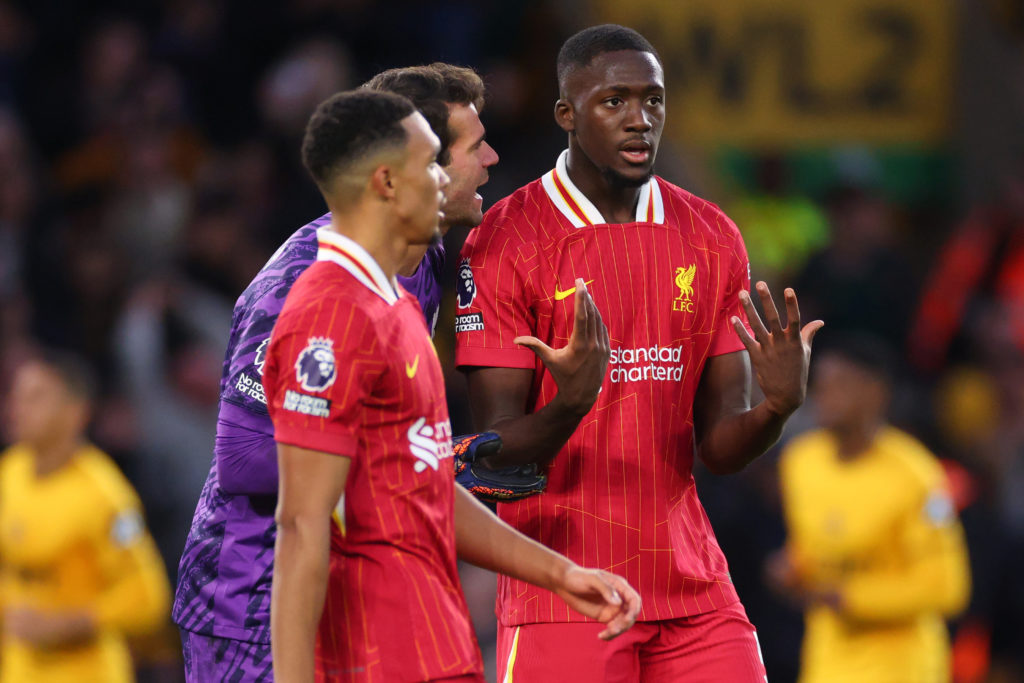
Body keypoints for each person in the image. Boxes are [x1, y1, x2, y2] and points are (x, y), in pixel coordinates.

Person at [454, 24, 822, 681]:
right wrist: (570, 403)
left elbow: (718, 447)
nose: (639, 120)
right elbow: (489, 452)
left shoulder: (711, 235)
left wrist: (777, 407)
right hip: (564, 587)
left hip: (692, 589)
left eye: (652, 101)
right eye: (614, 101)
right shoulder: (507, 238)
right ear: (566, 112)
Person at [265, 89, 640, 682]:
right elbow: (301, 525)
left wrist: (559, 575)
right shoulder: (329, 317)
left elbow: (427, 485)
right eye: (430, 164)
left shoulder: (396, 304)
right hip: (373, 657)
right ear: (386, 183)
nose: (445, 180)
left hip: (434, 646)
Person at [173, 63, 499, 681]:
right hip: (251, 602)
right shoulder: (299, 282)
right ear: (404, 168)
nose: (492, 157)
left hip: (349, 591)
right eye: (472, 146)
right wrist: (410, 465)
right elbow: (245, 456)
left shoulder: (420, 257)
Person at [770, 336, 971, 682]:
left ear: (876, 392)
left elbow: (947, 587)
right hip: (826, 663)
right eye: (821, 384)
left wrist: (851, 598)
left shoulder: (917, 475)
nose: (826, 396)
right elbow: (815, 547)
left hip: (901, 667)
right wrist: (792, 567)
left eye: (841, 384)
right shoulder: (800, 463)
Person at [0, 350, 170, 683]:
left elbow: (148, 596)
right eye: (15, 396)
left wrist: (67, 624)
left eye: (35, 398)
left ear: (75, 412)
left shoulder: (107, 497)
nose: (16, 409)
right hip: (19, 669)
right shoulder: (10, 473)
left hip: (86, 672)